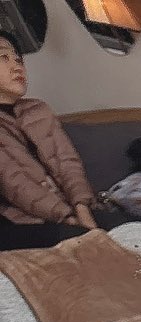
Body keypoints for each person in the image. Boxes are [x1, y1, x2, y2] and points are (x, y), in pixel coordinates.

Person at [0, 31, 128, 250]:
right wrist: (68, 217)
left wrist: (82, 207)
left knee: (131, 227)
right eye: (4, 58)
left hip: (72, 207)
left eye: (18, 59)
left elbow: (67, 162)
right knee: (81, 242)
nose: (17, 66)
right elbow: (15, 184)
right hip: (22, 219)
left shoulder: (38, 109)